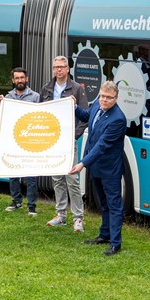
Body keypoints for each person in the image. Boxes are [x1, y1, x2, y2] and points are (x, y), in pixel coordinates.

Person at [71, 81, 127, 255]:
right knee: (103, 203)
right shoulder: (97, 104)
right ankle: (104, 235)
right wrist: (73, 107)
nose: (104, 100)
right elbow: (86, 115)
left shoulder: (118, 119)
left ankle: (115, 243)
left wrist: (82, 163)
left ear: (116, 99)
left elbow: (102, 146)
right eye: (102, 96)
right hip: (95, 167)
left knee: (114, 204)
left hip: (109, 169)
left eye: (109, 98)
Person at [40, 56, 89, 232]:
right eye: (55, 67)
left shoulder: (76, 88)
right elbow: (40, 112)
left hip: (68, 141)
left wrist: (74, 136)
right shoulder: (47, 88)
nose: (58, 70)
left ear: (68, 69)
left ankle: (78, 218)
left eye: (62, 67)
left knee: (71, 178)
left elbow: (85, 116)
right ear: (53, 69)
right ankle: (60, 214)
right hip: (53, 140)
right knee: (57, 178)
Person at [0, 67, 41, 215]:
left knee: (31, 175)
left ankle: (31, 206)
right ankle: (16, 201)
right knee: (13, 172)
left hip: (30, 141)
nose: (20, 80)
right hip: (13, 140)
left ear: (26, 79)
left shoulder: (35, 97)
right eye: (17, 78)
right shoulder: (7, 98)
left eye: (22, 77)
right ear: (13, 80)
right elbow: (0, 118)